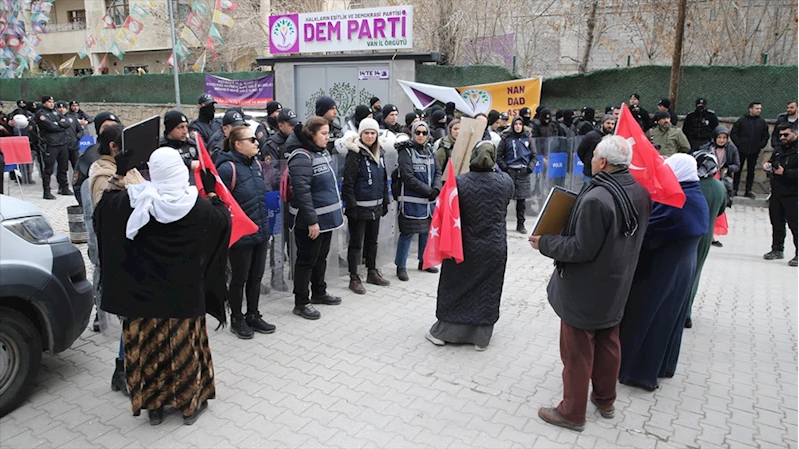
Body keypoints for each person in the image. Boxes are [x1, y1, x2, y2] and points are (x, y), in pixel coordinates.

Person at [94, 147, 231, 426]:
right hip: (183, 298)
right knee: (183, 352)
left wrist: (119, 174)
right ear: (180, 172)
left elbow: (102, 210)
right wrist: (211, 190)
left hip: (142, 301)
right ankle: (189, 406)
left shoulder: (133, 203)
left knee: (151, 352)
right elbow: (223, 219)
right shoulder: (199, 208)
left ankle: (154, 407)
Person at [529, 135, 652, 432]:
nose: (591, 158)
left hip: (585, 289)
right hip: (617, 282)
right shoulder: (639, 190)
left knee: (576, 353)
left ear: (604, 162)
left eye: (594, 155)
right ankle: (605, 399)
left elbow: (580, 249)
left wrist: (544, 243)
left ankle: (572, 413)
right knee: (609, 342)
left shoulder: (597, 198)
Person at [619, 153, 709, 392]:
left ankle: (639, 373)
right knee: (669, 318)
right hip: (680, 268)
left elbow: (651, 231)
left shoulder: (679, 200)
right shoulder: (694, 194)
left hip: (662, 270)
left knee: (649, 316)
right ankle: (663, 366)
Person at [426, 140, 514, 351]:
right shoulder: (505, 181)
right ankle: (480, 339)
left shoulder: (459, 183)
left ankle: (443, 333)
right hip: (494, 247)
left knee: (454, 287)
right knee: (488, 291)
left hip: (462, 247)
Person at [86, 123, 146, 395]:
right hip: (120, 252)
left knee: (139, 313)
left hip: (140, 248)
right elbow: (106, 212)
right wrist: (119, 176)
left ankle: (135, 362)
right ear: (113, 146)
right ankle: (121, 369)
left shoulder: (128, 167)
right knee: (130, 313)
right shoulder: (102, 174)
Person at [216, 125, 277, 338]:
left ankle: (253, 315)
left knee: (256, 276)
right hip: (241, 234)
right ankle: (237, 318)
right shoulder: (227, 169)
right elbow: (219, 203)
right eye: (251, 140)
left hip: (260, 229)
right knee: (239, 278)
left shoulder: (256, 165)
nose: (256, 142)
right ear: (238, 144)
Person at [285, 116, 345, 320]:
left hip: (326, 220)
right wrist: (312, 221)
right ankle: (301, 302)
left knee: (321, 257)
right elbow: (302, 192)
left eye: (328, 133)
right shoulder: (301, 157)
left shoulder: (323, 152)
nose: (328, 138)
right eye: (324, 134)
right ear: (311, 134)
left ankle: (319, 292)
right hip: (310, 222)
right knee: (306, 261)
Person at [341, 118, 391, 294]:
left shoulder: (380, 153)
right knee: (356, 243)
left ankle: (372, 271)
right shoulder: (354, 154)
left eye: (373, 133)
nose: (370, 136)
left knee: (372, 241)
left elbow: (383, 179)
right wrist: (352, 206)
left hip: (375, 207)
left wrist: (385, 199)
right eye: (366, 133)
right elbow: (348, 183)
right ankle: (354, 278)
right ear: (360, 134)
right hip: (359, 208)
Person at [394, 121, 442, 281]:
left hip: (429, 202)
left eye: (424, 132)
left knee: (426, 232)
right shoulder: (405, 151)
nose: (421, 135)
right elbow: (407, 177)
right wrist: (428, 191)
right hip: (411, 202)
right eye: (418, 132)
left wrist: (436, 188)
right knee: (407, 233)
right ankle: (401, 266)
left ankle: (424, 261)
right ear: (412, 133)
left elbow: (438, 172)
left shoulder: (430, 150)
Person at [685, 151, 727, 329]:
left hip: (687, 234)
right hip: (705, 237)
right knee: (695, 274)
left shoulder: (690, 185)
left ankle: (676, 310)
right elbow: (720, 211)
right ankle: (687, 313)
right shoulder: (719, 187)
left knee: (681, 273)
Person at [260, 108, 299, 292]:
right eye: (290, 125)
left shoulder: (297, 141)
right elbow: (271, 173)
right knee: (279, 238)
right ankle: (277, 276)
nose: (293, 128)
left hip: (294, 196)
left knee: (295, 237)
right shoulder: (271, 145)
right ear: (280, 125)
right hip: (278, 197)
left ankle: (295, 271)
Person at [763, 122, 798, 267]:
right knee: (776, 222)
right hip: (777, 193)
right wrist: (768, 166)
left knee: (795, 225)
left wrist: (785, 173)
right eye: (781, 135)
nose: (782, 137)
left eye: (786, 135)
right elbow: (773, 162)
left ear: (796, 134)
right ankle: (777, 249)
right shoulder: (778, 149)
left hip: (793, 194)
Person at [699, 125, 740, 247]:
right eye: (719, 137)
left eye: (724, 138)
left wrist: (728, 168)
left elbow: (737, 165)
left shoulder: (732, 149)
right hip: (708, 178)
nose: (722, 140)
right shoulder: (706, 148)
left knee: (717, 208)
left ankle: (713, 236)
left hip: (721, 180)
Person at [73, 112, 122, 206]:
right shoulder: (90, 154)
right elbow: (79, 185)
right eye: (106, 127)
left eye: (114, 126)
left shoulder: (127, 152)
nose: (111, 130)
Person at [497, 117, 536, 233]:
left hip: (523, 172)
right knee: (505, 200)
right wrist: (505, 167)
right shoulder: (506, 138)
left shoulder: (527, 138)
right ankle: (501, 225)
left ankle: (520, 225)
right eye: (516, 124)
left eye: (520, 124)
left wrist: (530, 167)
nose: (518, 126)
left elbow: (534, 155)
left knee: (521, 202)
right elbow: (499, 156)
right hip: (510, 172)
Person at [730, 101, 770, 199]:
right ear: (750, 109)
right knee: (737, 170)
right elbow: (734, 133)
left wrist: (761, 145)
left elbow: (765, 135)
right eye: (757, 108)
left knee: (751, 171)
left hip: (754, 150)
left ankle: (748, 190)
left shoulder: (762, 122)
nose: (759, 110)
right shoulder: (742, 120)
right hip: (741, 150)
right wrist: (739, 144)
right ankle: (734, 189)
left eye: (760, 109)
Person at [36, 95, 72, 199]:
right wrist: (58, 125)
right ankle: (47, 191)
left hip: (62, 143)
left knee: (63, 167)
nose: (51, 103)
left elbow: (67, 123)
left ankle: (64, 188)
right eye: (49, 102)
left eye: (52, 101)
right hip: (50, 144)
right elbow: (50, 126)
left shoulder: (55, 113)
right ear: (44, 103)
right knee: (48, 169)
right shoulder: (41, 114)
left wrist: (58, 124)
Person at [577, 115, 616, 183]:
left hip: (605, 174)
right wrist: (588, 163)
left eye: (612, 124)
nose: (610, 126)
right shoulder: (591, 136)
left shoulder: (613, 138)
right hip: (590, 173)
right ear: (602, 123)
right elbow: (581, 151)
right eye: (608, 123)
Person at [55, 101, 83, 172]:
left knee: (77, 167)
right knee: (62, 168)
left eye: (63, 107)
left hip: (73, 146)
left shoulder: (72, 118)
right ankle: (63, 182)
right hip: (62, 146)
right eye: (59, 107)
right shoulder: (54, 118)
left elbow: (80, 130)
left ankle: (78, 182)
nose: (61, 109)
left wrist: (77, 137)